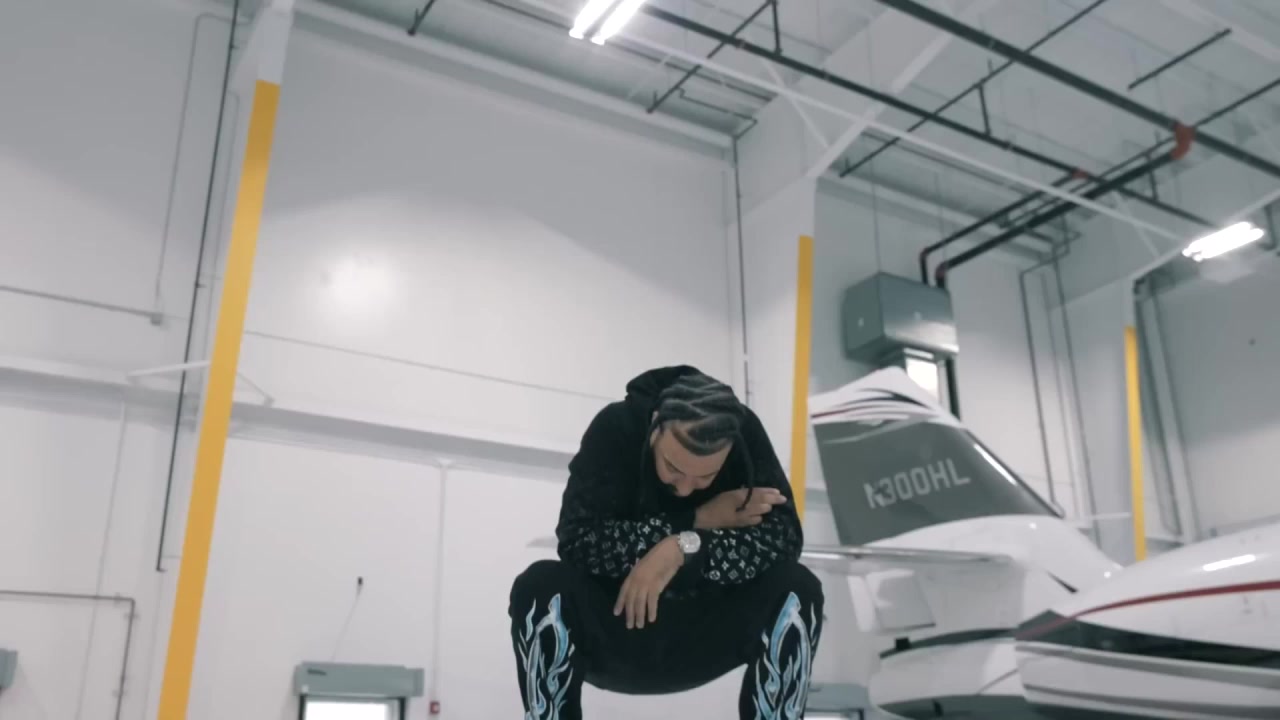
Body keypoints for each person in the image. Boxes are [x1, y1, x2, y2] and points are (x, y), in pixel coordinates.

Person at [509, 366, 824, 719]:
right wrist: (694, 519)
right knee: (540, 585)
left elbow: (784, 541)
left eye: (705, 476)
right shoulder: (616, 427)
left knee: (797, 586)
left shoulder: (743, 431)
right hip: (615, 623)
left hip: (703, 629)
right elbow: (577, 542)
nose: (686, 488)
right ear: (655, 426)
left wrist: (683, 549)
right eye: (673, 468)